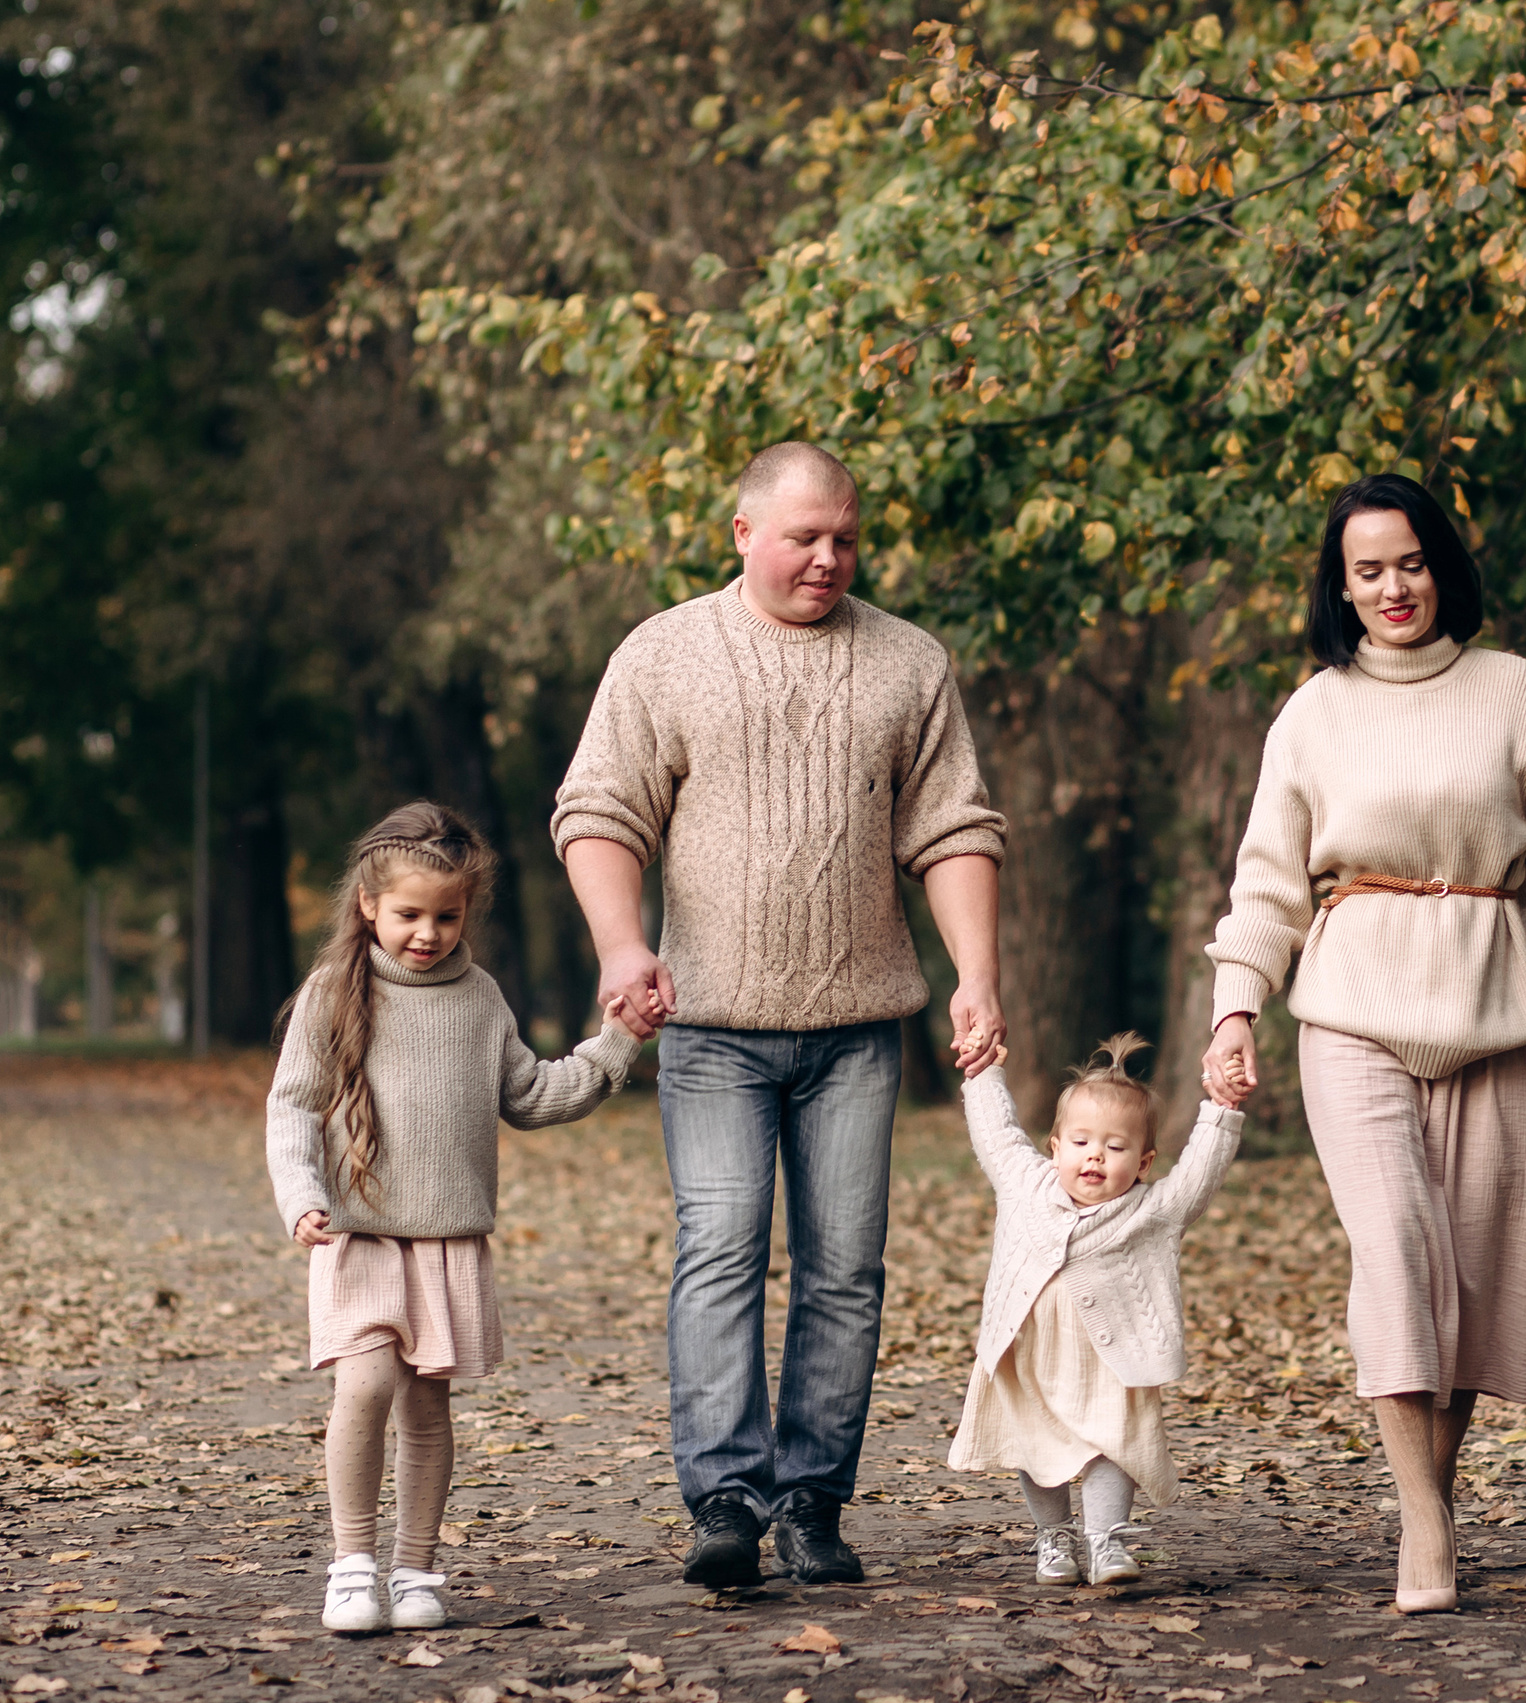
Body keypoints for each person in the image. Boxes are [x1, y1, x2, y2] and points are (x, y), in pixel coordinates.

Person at [552, 441, 1008, 1588]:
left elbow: (953, 827)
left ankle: (811, 1502)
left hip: (859, 1030)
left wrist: (977, 972)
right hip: (710, 1025)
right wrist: (622, 944)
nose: (827, 558)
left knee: (845, 1270)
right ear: (744, 533)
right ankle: (724, 1502)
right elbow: (599, 810)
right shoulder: (664, 654)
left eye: (845, 539)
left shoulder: (910, 662)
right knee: (721, 1251)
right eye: (805, 537)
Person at [1198, 472, 1526, 1613]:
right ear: (1341, 586)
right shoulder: (1313, 711)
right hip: (1352, 1008)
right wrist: (1236, 1007)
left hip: (1492, 1008)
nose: (1393, 588)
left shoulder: (1513, 690)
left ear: (1442, 567)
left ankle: (1436, 1494)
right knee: (1399, 1254)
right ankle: (1424, 1526)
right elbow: (1268, 884)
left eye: (1411, 563)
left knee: (1471, 1275)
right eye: (1367, 570)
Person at [266, 802, 640, 1634]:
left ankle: (416, 1569)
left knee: (427, 1408)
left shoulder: (480, 999)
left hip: (444, 1241)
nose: (427, 933)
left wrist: (616, 1041)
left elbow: (532, 1094)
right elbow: (291, 1105)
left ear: (468, 911)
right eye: (408, 914)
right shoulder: (335, 992)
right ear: (369, 904)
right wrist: (301, 1194)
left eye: (447, 915)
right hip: (358, 1233)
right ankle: (352, 1566)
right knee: (365, 1385)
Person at [945, 1033, 1242, 1587]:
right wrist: (982, 1075)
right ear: (1055, 1147)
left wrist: (1221, 1110)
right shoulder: (1024, 1184)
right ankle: (1054, 1537)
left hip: (1112, 1360)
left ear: (1144, 1162)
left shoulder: (1153, 1211)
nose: (1095, 1155)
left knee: (1114, 1441)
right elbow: (996, 1134)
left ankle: (1106, 1539)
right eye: (1081, 1141)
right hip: (1029, 1354)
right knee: (1034, 1443)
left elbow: (1199, 1173)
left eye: (1116, 1147)